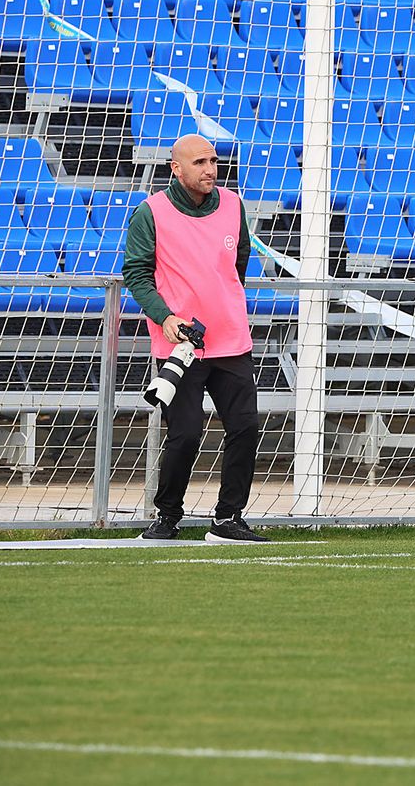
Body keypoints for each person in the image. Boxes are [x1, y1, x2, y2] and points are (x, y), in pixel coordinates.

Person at [124, 132, 268, 542]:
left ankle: (227, 519)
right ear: (176, 168)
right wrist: (165, 317)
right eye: (200, 162)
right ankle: (167, 517)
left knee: (245, 428)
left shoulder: (233, 206)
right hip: (180, 347)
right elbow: (136, 274)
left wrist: (224, 307)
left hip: (231, 341)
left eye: (213, 161)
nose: (210, 169)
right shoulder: (150, 212)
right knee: (185, 433)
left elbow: (238, 266)